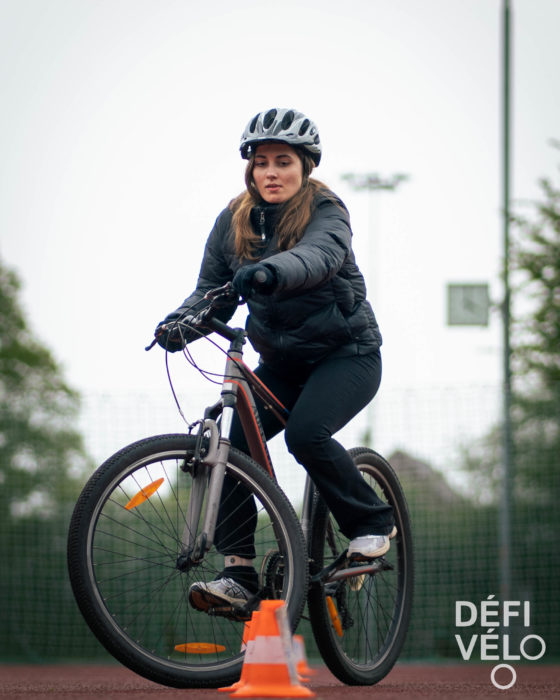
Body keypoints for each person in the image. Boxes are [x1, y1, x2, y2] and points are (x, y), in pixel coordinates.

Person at [155, 108, 395, 614]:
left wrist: (269, 272)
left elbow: (319, 256)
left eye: (283, 162)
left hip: (346, 355)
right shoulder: (233, 220)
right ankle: (238, 575)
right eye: (261, 162)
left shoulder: (327, 211)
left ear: (305, 166)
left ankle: (372, 522)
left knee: (306, 434)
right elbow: (211, 292)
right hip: (283, 365)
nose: (270, 172)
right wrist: (180, 324)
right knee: (233, 450)